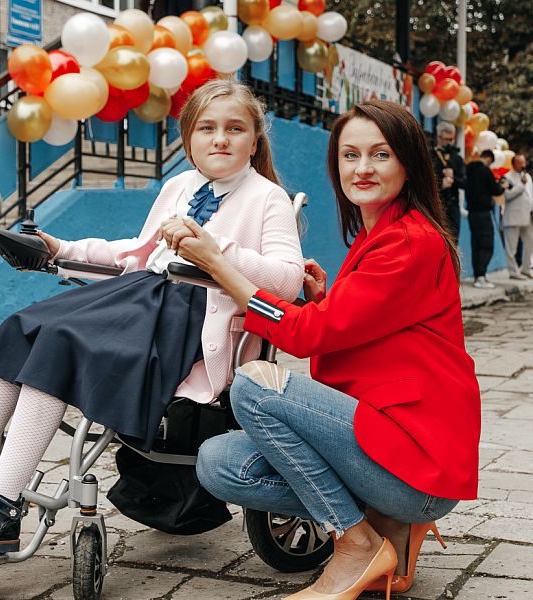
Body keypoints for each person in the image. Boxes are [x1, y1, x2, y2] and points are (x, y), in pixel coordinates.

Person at [0, 79, 304, 555]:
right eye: (207, 128)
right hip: (142, 295)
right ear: (188, 138)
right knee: (22, 329)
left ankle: (1, 507)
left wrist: (217, 251)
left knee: (60, 342)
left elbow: (287, 281)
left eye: (235, 129)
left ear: (253, 141)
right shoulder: (180, 185)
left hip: (190, 319)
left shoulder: (267, 197)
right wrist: (60, 249)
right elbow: (135, 252)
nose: (220, 139)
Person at [181, 100, 479, 600]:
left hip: (415, 463)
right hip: (380, 442)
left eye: (380, 155)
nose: (362, 169)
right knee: (219, 461)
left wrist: (220, 266)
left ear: (408, 162)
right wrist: (326, 301)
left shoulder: (410, 241)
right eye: (350, 155)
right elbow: (361, 326)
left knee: (256, 386)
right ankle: (385, 526)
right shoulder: (380, 233)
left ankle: (357, 542)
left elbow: (305, 336)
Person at [465, 150, 505, 289]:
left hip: (472, 213)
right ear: (489, 159)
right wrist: (502, 187)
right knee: (487, 244)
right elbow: (495, 190)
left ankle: (478, 276)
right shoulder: (485, 171)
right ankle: (481, 276)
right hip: (483, 212)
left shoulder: (469, 170)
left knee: (476, 245)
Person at [429, 121, 466, 241]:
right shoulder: (430, 156)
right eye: (446, 139)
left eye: (451, 139)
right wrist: (441, 185)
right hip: (434, 205)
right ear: (438, 137)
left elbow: (465, 183)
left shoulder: (457, 158)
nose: (449, 143)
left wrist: (453, 179)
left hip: (453, 205)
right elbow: (423, 182)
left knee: (453, 241)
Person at [502, 155, 533, 280]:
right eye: (520, 163)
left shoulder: (528, 176)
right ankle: (513, 272)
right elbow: (508, 195)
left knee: (530, 243)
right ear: (514, 164)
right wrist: (521, 185)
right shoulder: (507, 177)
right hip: (513, 217)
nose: (523, 165)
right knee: (511, 247)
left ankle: (525, 269)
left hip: (527, 216)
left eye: (524, 162)